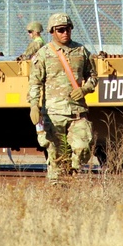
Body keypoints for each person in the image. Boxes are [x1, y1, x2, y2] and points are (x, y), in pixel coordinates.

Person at [28, 12, 97, 182]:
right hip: (54, 113)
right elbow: (35, 82)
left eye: (68, 29)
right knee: (56, 154)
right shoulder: (44, 54)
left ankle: (72, 171)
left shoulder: (81, 51)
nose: (65, 32)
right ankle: (57, 187)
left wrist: (85, 89)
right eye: (60, 30)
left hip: (77, 111)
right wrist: (34, 105)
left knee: (83, 148)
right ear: (52, 31)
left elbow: (93, 76)